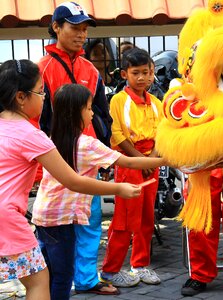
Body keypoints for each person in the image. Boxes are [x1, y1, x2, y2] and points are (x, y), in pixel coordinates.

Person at [0, 59, 141, 300]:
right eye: (41, 91)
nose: (44, 98)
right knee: (39, 281)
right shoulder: (32, 135)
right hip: (8, 219)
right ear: (21, 97)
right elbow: (73, 181)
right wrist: (118, 188)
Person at [31, 83, 167, 299]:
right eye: (89, 108)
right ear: (76, 113)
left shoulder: (51, 140)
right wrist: (169, 160)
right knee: (62, 276)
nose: (93, 113)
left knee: (46, 273)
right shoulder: (86, 144)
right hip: (62, 221)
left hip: (43, 217)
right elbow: (128, 162)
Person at [32, 1, 114, 296]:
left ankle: (87, 279)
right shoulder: (40, 69)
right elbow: (36, 121)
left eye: (84, 29)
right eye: (74, 28)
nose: (81, 35)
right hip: (56, 163)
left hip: (87, 160)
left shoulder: (90, 69)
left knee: (90, 221)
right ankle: (53, 283)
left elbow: (103, 114)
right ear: (56, 27)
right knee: (56, 229)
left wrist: (105, 154)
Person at [101, 47, 163, 287]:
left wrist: (153, 158)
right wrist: (141, 159)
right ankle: (110, 269)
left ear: (153, 72)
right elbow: (117, 134)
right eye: (136, 72)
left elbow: (164, 133)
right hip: (129, 162)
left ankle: (140, 264)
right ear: (125, 74)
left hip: (152, 162)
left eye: (146, 72)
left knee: (148, 216)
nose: (142, 78)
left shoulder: (157, 102)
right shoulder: (119, 100)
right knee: (125, 219)